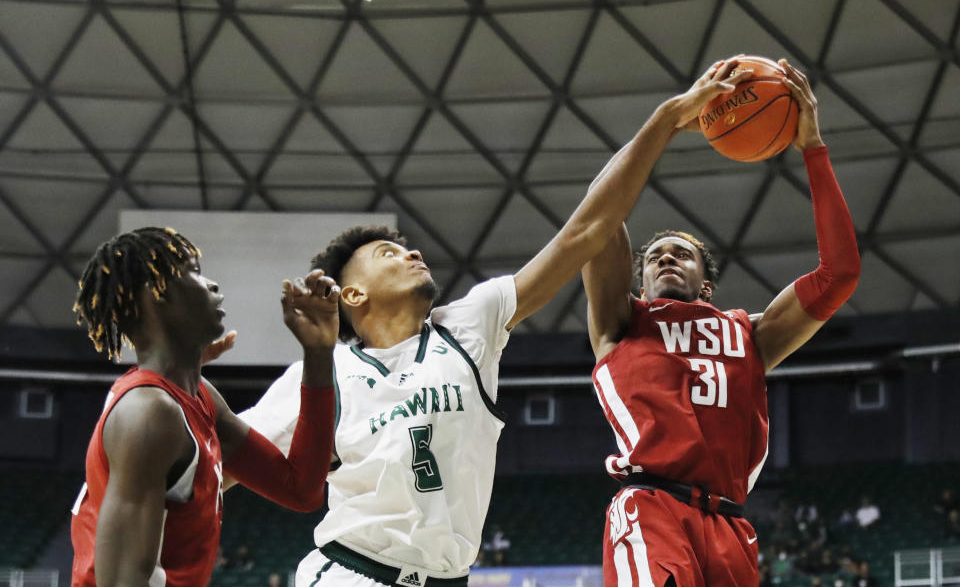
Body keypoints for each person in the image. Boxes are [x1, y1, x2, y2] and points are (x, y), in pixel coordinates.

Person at [234, 60, 757, 586]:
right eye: (389, 252)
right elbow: (227, 460)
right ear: (353, 293)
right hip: (351, 572)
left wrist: (665, 121)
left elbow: (586, 232)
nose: (411, 251)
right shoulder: (327, 370)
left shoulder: (467, 326)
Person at [582, 60, 860, 586]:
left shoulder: (749, 334)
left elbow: (839, 274)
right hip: (652, 508)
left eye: (680, 254)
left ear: (706, 286)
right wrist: (667, 121)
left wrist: (812, 149)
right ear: (639, 284)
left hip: (731, 527)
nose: (665, 258)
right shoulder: (622, 322)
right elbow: (599, 214)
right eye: (655, 256)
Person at [69, 227, 339, 587]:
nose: (212, 285)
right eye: (194, 271)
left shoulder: (197, 398)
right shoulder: (150, 412)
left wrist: (318, 354)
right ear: (155, 296)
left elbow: (302, 490)